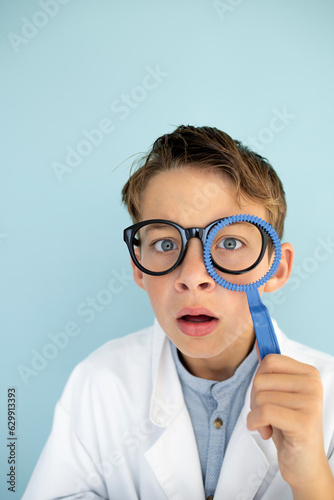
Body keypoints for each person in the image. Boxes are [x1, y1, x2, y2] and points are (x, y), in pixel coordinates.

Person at [23, 125, 334, 499]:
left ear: (276, 269)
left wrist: (314, 482)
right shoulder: (97, 385)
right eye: (166, 243)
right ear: (138, 267)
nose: (191, 277)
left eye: (231, 242)